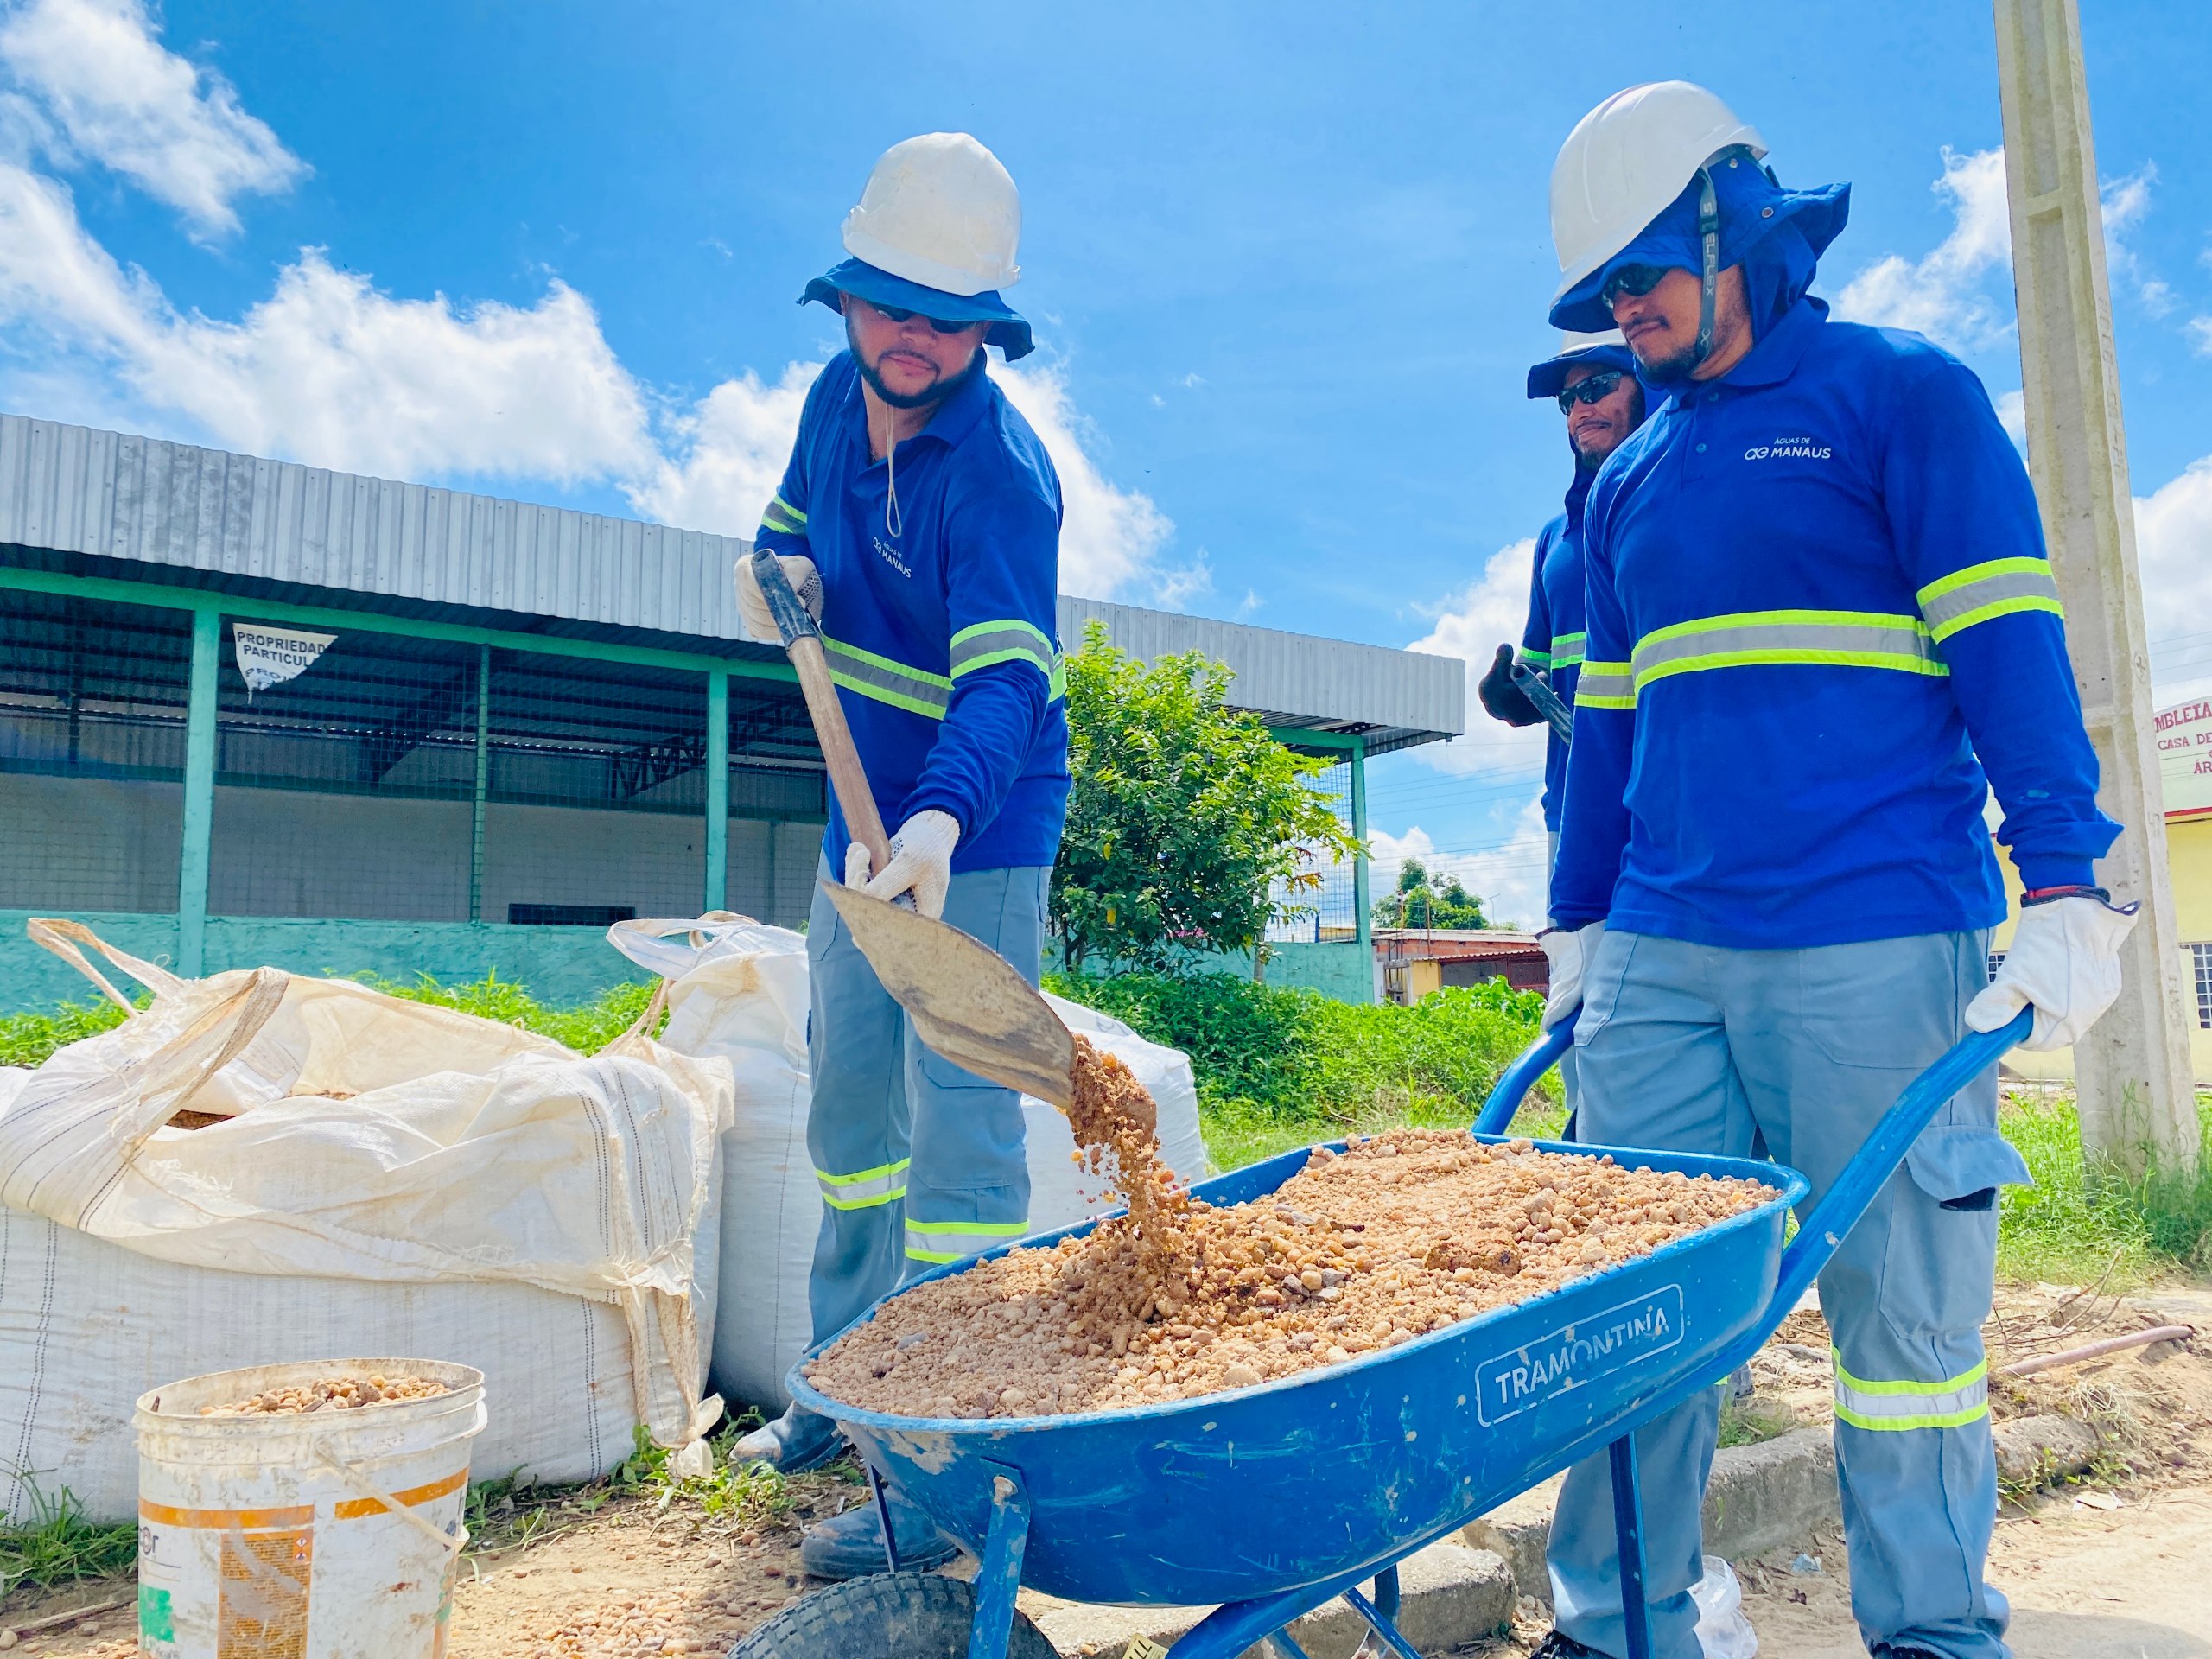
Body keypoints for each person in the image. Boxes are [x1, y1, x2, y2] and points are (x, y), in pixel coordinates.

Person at [1529, 83, 2135, 1659]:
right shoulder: (1625, 478)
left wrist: (2063, 878)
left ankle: (1931, 1631)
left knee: (1906, 1331)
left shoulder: (1899, 396)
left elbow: (2008, 643)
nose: (1629, 308)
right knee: (1636, 1321)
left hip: (1877, 936)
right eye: (1609, 290)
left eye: (1648, 268)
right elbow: (1607, 728)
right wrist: (1578, 919)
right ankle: (1621, 1629)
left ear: (1735, 227)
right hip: (1662, 951)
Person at [729, 131, 1071, 1580]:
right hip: (850, 819)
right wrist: (778, 575)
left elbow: (1008, 683)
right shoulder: (827, 399)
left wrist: (935, 823)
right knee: (849, 1122)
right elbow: (782, 537)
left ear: (984, 326)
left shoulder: (1002, 476)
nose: (914, 339)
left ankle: (941, 1464)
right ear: (848, 301)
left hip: (973, 833)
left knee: (963, 1149)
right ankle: (839, 1391)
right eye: (890, 307)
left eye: (946, 317)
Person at [1478, 329, 1647, 1112]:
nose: (1577, 410)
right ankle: (1590, 1154)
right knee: (1584, 1006)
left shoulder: (1671, 503)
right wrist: (1513, 692)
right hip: (1574, 808)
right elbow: (1545, 663)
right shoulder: (1556, 540)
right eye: (1567, 398)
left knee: (1661, 1000)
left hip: (1665, 795)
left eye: (1596, 387)